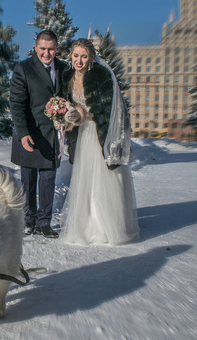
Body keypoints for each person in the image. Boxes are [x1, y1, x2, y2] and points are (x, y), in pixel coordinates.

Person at [59, 38, 140, 245]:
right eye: (76, 55)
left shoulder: (101, 76)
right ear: (71, 55)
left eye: (83, 56)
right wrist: (68, 117)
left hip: (98, 134)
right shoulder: (67, 77)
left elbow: (108, 109)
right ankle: (85, 225)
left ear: (91, 57)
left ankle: (105, 227)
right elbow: (64, 105)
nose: (79, 60)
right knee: (84, 180)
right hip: (81, 135)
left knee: (102, 179)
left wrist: (83, 115)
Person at [10, 30, 67, 238]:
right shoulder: (23, 69)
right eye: (42, 48)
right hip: (30, 134)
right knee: (28, 179)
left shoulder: (63, 68)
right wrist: (22, 133)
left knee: (48, 179)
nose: (46, 53)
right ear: (35, 47)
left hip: (52, 135)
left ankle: (44, 222)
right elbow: (16, 104)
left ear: (56, 49)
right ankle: (28, 219)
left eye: (51, 49)